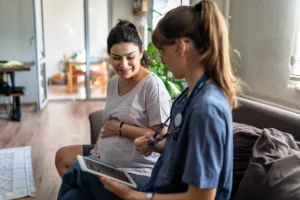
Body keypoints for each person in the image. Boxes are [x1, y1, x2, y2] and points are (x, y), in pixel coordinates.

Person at [58, 1, 241, 200]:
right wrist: (155, 145)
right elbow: (177, 150)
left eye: (162, 50)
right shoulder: (188, 97)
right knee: (72, 196)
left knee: (78, 170)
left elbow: (202, 197)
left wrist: (135, 196)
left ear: (180, 47)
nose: (161, 60)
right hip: (156, 185)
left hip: (154, 193)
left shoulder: (207, 109)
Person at [55, 19, 171, 182]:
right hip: (105, 158)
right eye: (116, 58)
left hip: (135, 169)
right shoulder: (113, 83)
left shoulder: (152, 85)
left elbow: (161, 137)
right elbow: (108, 125)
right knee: (62, 157)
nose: (123, 65)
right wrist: (95, 151)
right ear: (109, 55)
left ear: (140, 51)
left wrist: (121, 129)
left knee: (76, 178)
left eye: (129, 57)